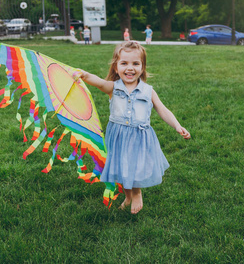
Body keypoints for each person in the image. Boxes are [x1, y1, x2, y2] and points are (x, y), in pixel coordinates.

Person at [77, 41, 190, 214]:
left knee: (135, 166)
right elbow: (99, 82)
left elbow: (162, 109)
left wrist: (177, 125)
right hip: (118, 135)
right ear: (116, 67)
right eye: (124, 63)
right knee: (122, 167)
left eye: (135, 63)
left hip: (140, 136)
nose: (130, 68)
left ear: (142, 67)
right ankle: (128, 196)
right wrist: (84, 75)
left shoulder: (148, 91)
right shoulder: (113, 88)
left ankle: (137, 193)